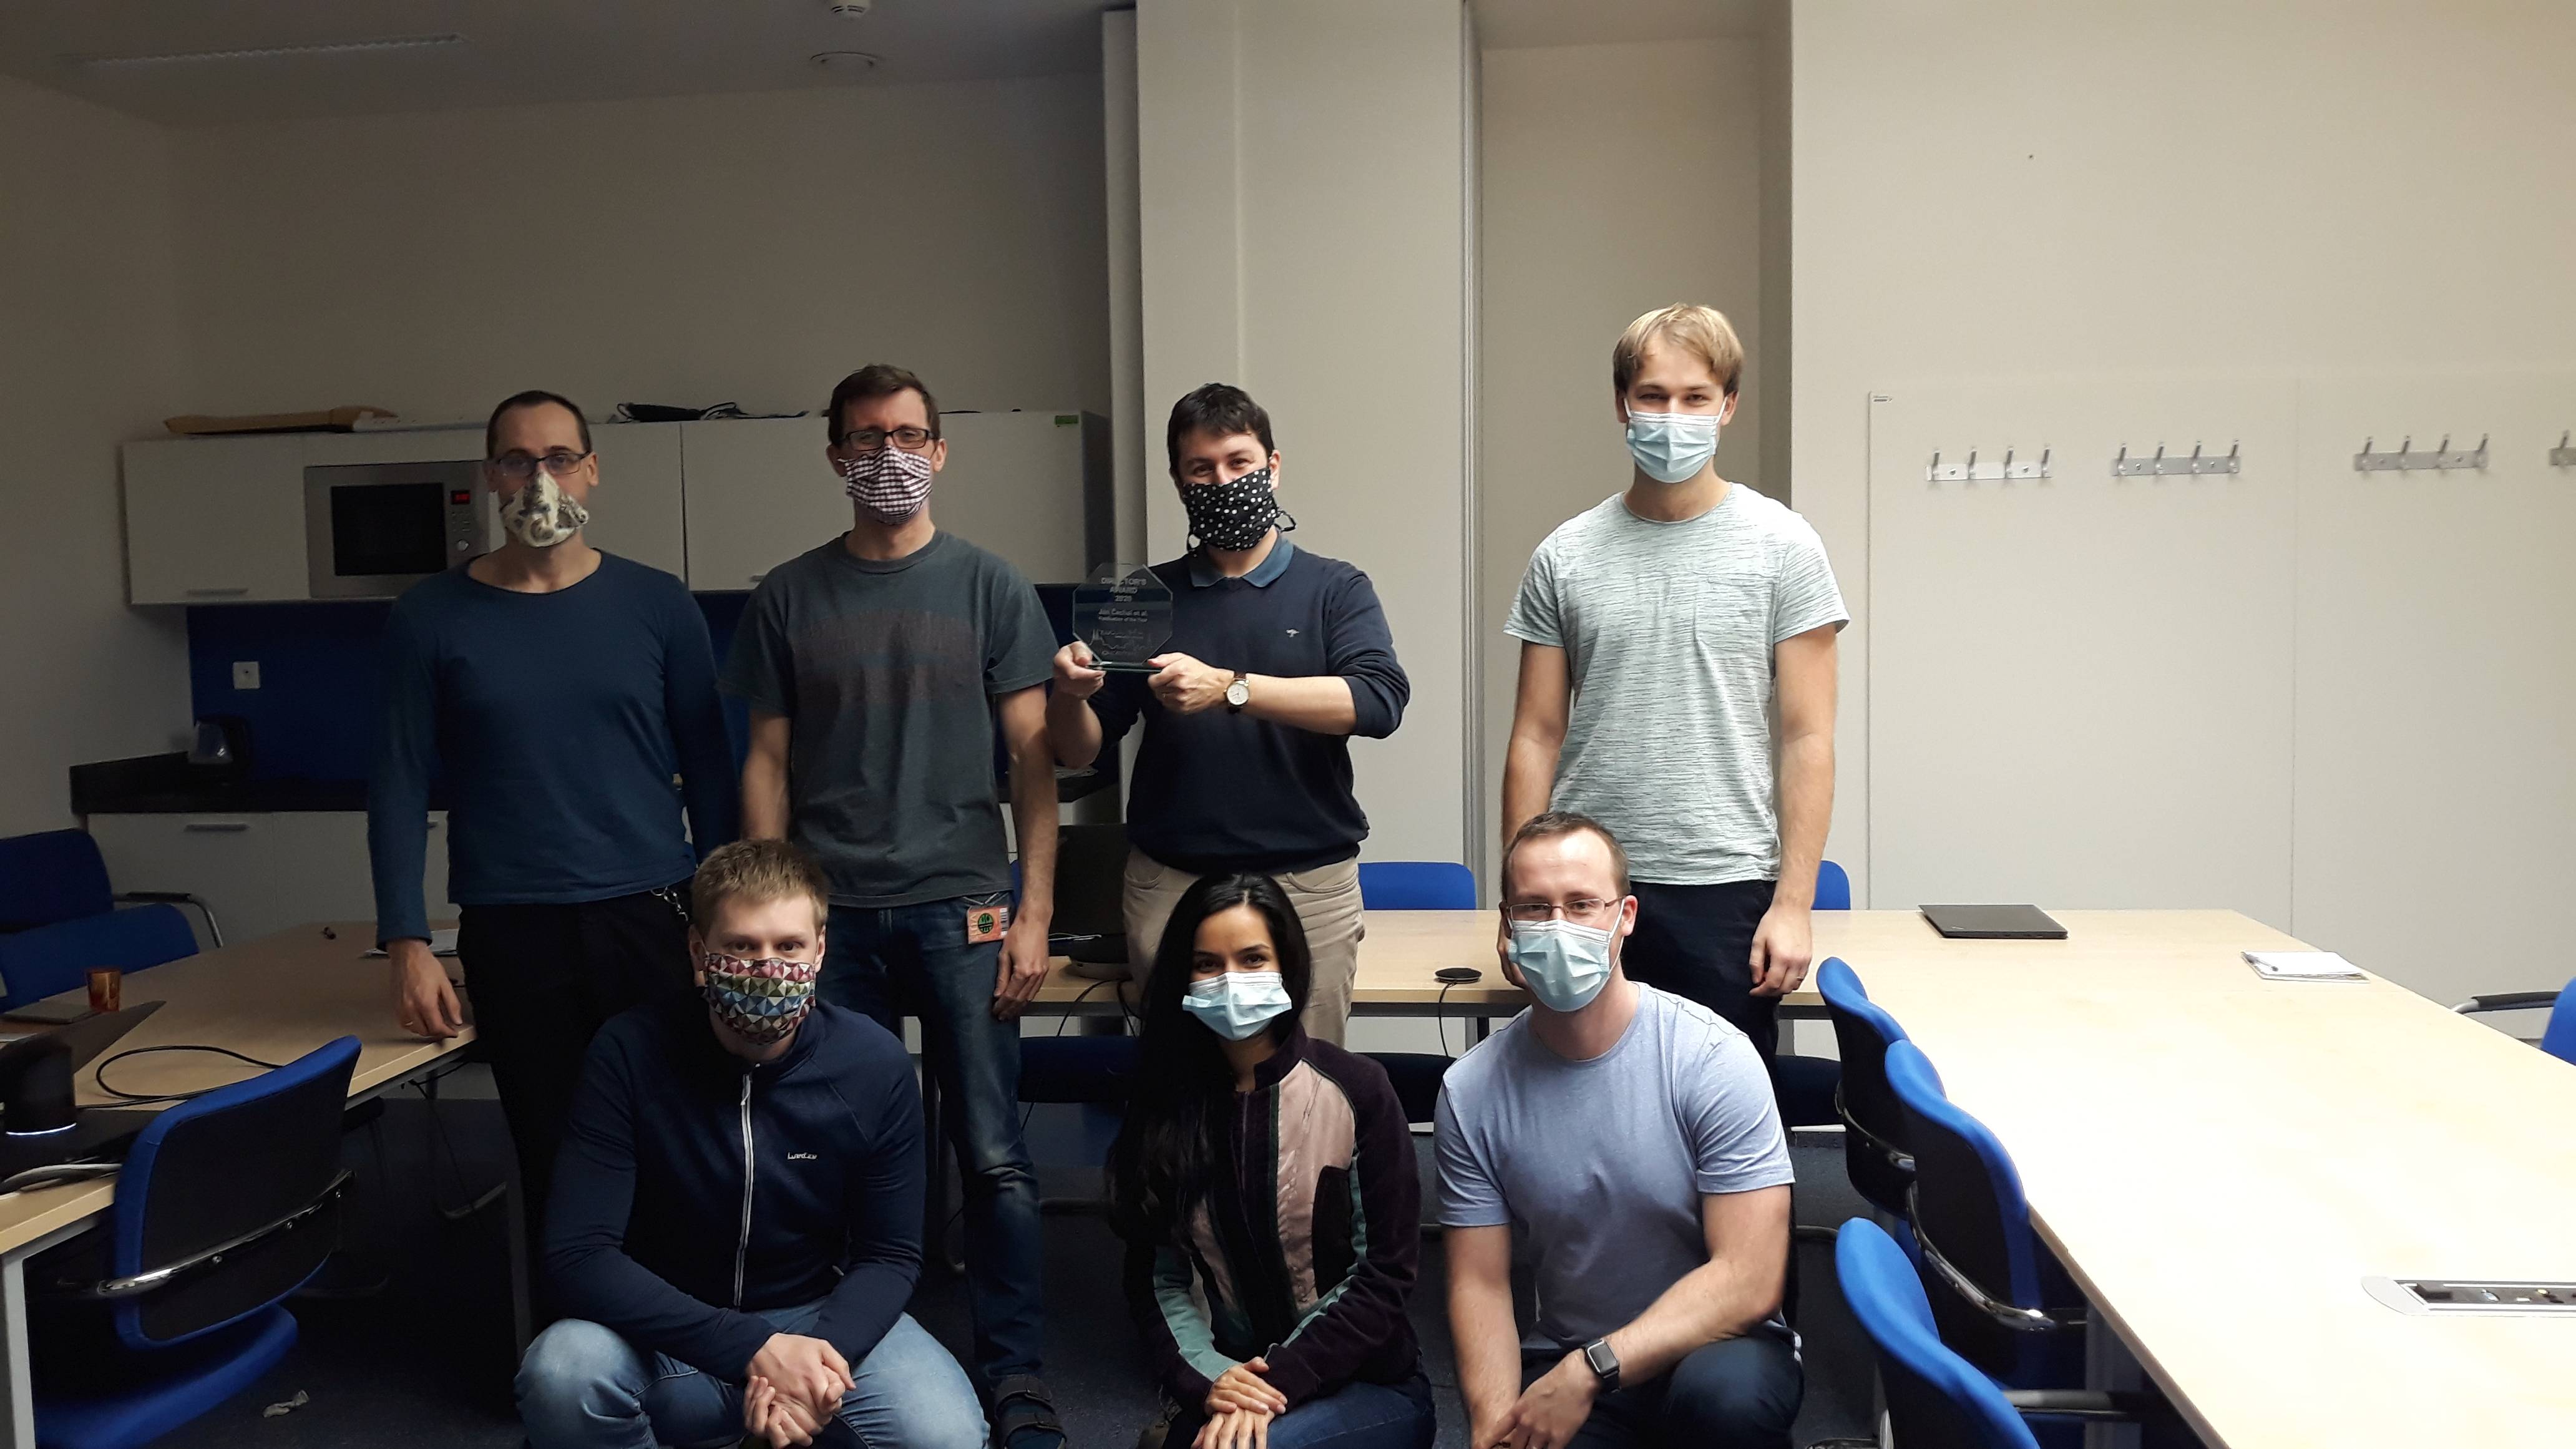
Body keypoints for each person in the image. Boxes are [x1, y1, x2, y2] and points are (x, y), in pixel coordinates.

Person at [722, 363, 1064, 1447]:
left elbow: (1035, 760)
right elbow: (765, 761)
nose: (889, 455)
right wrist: (773, 911)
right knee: (835, 1148)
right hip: (832, 917)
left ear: (940, 450)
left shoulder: (990, 586)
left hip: (964, 908)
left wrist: (1034, 910)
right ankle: (845, 1358)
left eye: (909, 434)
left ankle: (1015, 1375)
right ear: (835, 454)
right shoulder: (789, 595)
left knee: (993, 1153)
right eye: (867, 437)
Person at [370, 388, 737, 1229]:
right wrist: (406, 942)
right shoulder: (428, 617)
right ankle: (571, 1310)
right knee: (554, 1154)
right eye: (518, 460)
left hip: (651, 915)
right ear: (490, 476)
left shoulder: (659, 604)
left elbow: (710, 770)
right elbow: (396, 781)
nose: (540, 479)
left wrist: (725, 922)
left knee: (675, 1139)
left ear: (592, 470)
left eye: (560, 458)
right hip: (513, 926)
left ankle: (675, 1308)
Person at [516, 838, 982, 1449]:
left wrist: (812, 1362)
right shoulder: (628, 1052)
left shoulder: (875, 1065)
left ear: (820, 950)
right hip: (665, 1333)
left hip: (813, 1319)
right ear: (698, 950)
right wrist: (752, 1350)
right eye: (741, 946)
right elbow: (578, 1255)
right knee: (561, 1374)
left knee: (946, 1434)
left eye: (788, 946)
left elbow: (890, 1255)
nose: (767, 968)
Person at [1499, 305, 1845, 1071]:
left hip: (1723, 880)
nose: (1672, 416)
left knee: (1717, 1099)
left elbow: (1807, 737)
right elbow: (1535, 735)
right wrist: (1518, 899)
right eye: (1653, 396)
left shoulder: (1786, 547)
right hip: (1581, 881)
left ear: (1728, 406)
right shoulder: (1565, 555)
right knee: (1576, 1091)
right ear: (1621, 404)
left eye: (1696, 398)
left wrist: (1794, 903)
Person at [1047, 383, 1410, 1044]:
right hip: (1172, 883)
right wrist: (1069, 696)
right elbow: (1079, 751)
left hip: (1307, 881)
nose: (1223, 482)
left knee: (1308, 1076)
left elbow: (1378, 702)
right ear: (1178, 481)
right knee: (1181, 1076)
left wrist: (1230, 689)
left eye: (1239, 463)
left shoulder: (1335, 587)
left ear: (1273, 466)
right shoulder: (1140, 597)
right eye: (1201, 469)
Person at [1438, 811, 1800, 1449]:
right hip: (1571, 1360)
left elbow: (1749, 1277)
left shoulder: (1711, 1057)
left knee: (1725, 1404)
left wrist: (1595, 1366)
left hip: (1715, 1346)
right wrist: (1494, 1427)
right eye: (1534, 908)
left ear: (1625, 916)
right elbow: (1481, 1284)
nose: (1558, 927)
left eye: (1582, 905)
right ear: (1508, 925)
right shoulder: (1471, 1091)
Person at [1108, 873, 1434, 1449]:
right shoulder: (1165, 1105)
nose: (1231, 980)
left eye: (1253, 959)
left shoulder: (1360, 1090)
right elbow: (1157, 1280)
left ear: (1288, 965)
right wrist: (1211, 1379)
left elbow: (1384, 1277)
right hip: (1232, 1383)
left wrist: (1276, 1381)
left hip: (1370, 1384)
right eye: (1207, 964)